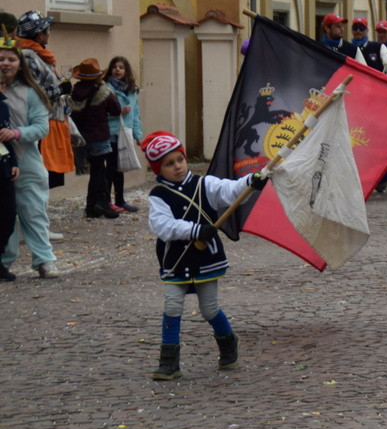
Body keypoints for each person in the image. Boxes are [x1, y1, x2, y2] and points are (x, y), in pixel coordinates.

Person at [142, 130, 268, 380]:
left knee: (209, 309)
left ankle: (228, 341)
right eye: (169, 164)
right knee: (172, 306)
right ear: (158, 170)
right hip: (175, 260)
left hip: (205, 259)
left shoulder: (204, 184)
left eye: (180, 160)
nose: (177, 167)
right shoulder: (159, 196)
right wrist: (197, 229)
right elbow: (162, 226)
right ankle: (169, 363)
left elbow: (229, 191)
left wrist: (250, 182)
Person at [0, 40, 59, 278]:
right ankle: (4, 261)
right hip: (1, 163)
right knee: (4, 214)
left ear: (20, 64)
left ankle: (44, 260)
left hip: (27, 161)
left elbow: (42, 127)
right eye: (1, 58)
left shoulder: (31, 93)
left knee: (33, 211)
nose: (5, 63)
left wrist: (17, 133)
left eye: (11, 59)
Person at [13, 11, 74, 195]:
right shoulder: (28, 56)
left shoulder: (38, 54)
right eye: (47, 31)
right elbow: (33, 89)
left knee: (47, 175)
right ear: (39, 34)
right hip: (39, 120)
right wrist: (60, 90)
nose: (48, 35)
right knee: (41, 173)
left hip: (51, 119)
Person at [68, 58, 122, 219]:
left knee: (95, 171)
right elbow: (116, 110)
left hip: (80, 138)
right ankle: (100, 203)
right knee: (99, 171)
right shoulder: (103, 92)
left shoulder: (75, 92)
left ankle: (92, 208)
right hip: (99, 136)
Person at [105, 56, 144, 213]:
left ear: (126, 71)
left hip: (125, 134)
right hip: (111, 133)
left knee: (120, 168)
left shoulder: (132, 91)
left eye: (121, 67)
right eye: (115, 67)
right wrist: (117, 112)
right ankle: (107, 201)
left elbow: (135, 115)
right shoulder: (106, 89)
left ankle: (120, 200)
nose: (117, 70)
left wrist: (138, 135)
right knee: (111, 168)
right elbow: (100, 112)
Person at [0, 56, 20, 281]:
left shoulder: (2, 104)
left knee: (7, 215)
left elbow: (5, 136)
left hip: (3, 164)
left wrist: (13, 162)